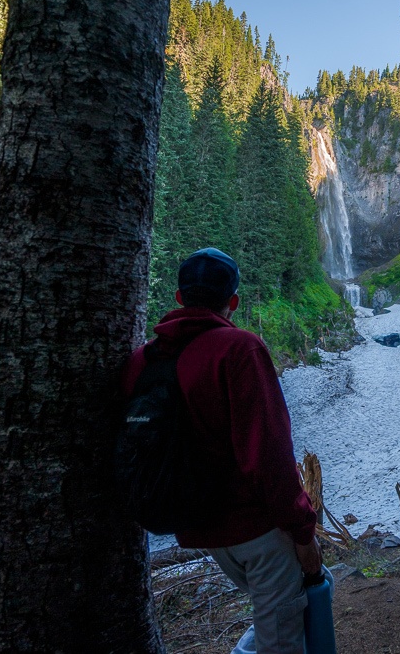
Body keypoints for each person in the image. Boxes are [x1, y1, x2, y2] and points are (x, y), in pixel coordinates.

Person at [123, 247, 320, 654]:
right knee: (282, 640)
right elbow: (268, 453)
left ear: (179, 298)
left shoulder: (143, 360)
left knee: (271, 624)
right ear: (233, 301)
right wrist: (303, 531)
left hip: (199, 529)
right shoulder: (239, 349)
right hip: (257, 530)